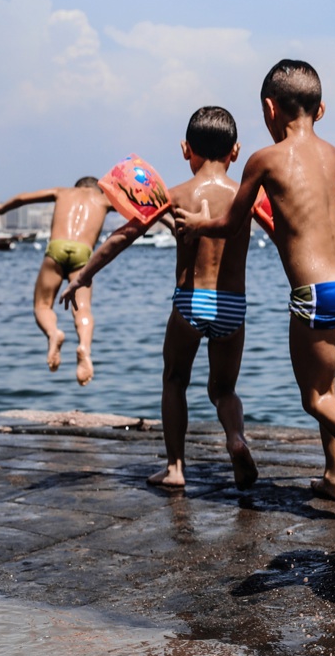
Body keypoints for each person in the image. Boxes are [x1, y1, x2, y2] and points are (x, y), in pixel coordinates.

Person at [175, 61, 335, 516]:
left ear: (269, 109)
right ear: (322, 109)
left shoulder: (266, 159)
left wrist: (199, 223)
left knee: (315, 398)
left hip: (316, 295)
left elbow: (230, 223)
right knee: (331, 386)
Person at [60, 107, 257, 490]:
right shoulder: (244, 196)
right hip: (233, 304)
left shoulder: (177, 195)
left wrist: (83, 276)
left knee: (175, 379)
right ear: (235, 151)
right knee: (224, 389)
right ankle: (235, 437)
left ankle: (176, 467)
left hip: (190, 300)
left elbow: (121, 237)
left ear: (186, 150)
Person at [0, 178, 114, 386]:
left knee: (42, 305)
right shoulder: (104, 200)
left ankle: (53, 333)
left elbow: (22, 197)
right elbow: (142, 211)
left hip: (56, 247)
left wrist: (0, 209)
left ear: (77, 187)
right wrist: (170, 222)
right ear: (97, 189)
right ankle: (84, 347)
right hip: (83, 252)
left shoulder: (62, 192)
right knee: (83, 310)